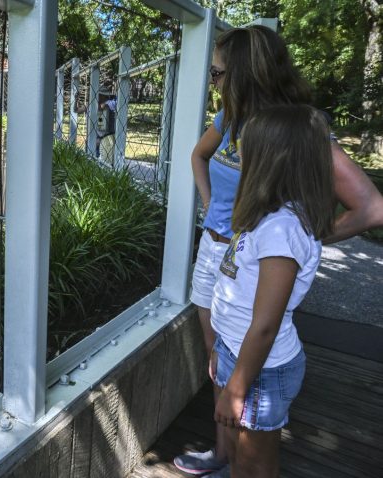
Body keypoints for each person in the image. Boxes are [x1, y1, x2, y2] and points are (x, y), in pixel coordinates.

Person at [174, 26, 383, 477]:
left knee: (244, 384)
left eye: (218, 73)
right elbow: (198, 156)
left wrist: (295, 246)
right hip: (221, 254)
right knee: (220, 356)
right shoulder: (230, 117)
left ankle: (239, 455)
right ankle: (224, 456)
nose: (215, 83)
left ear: (246, 73)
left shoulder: (296, 130)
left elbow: (372, 207)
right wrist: (217, 214)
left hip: (252, 267)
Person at [212, 104, 333, 478]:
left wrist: (235, 388)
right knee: (235, 449)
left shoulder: (282, 229)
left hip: (260, 370)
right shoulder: (269, 215)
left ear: (272, 160)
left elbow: (265, 325)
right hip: (238, 353)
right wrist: (222, 349)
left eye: (247, 149)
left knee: (254, 462)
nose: (239, 154)